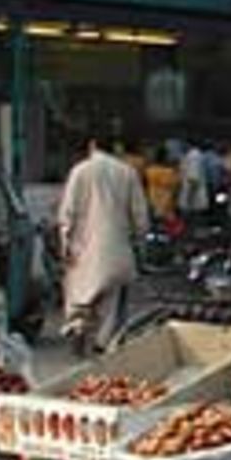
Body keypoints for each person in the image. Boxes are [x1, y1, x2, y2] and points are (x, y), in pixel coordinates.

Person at [59, 136, 150, 354]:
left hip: (83, 248)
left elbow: (67, 212)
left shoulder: (80, 171)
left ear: (92, 145)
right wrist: (139, 240)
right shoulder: (127, 173)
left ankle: (78, 328)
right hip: (117, 248)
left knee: (80, 294)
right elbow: (140, 216)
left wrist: (65, 243)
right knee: (111, 300)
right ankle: (102, 343)